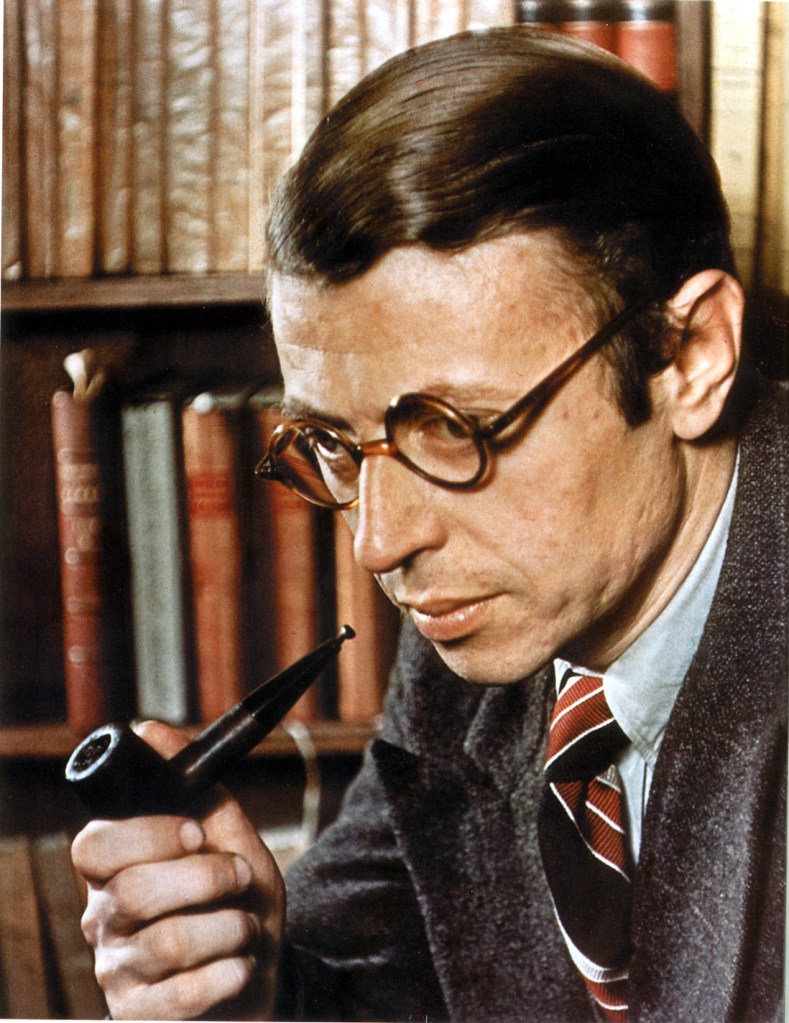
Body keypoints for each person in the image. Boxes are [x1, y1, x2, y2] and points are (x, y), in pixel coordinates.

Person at [71, 26, 787, 1023]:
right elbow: (375, 989)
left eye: (455, 429)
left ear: (692, 355)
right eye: (330, 442)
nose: (380, 543)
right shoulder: (486, 626)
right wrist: (255, 991)